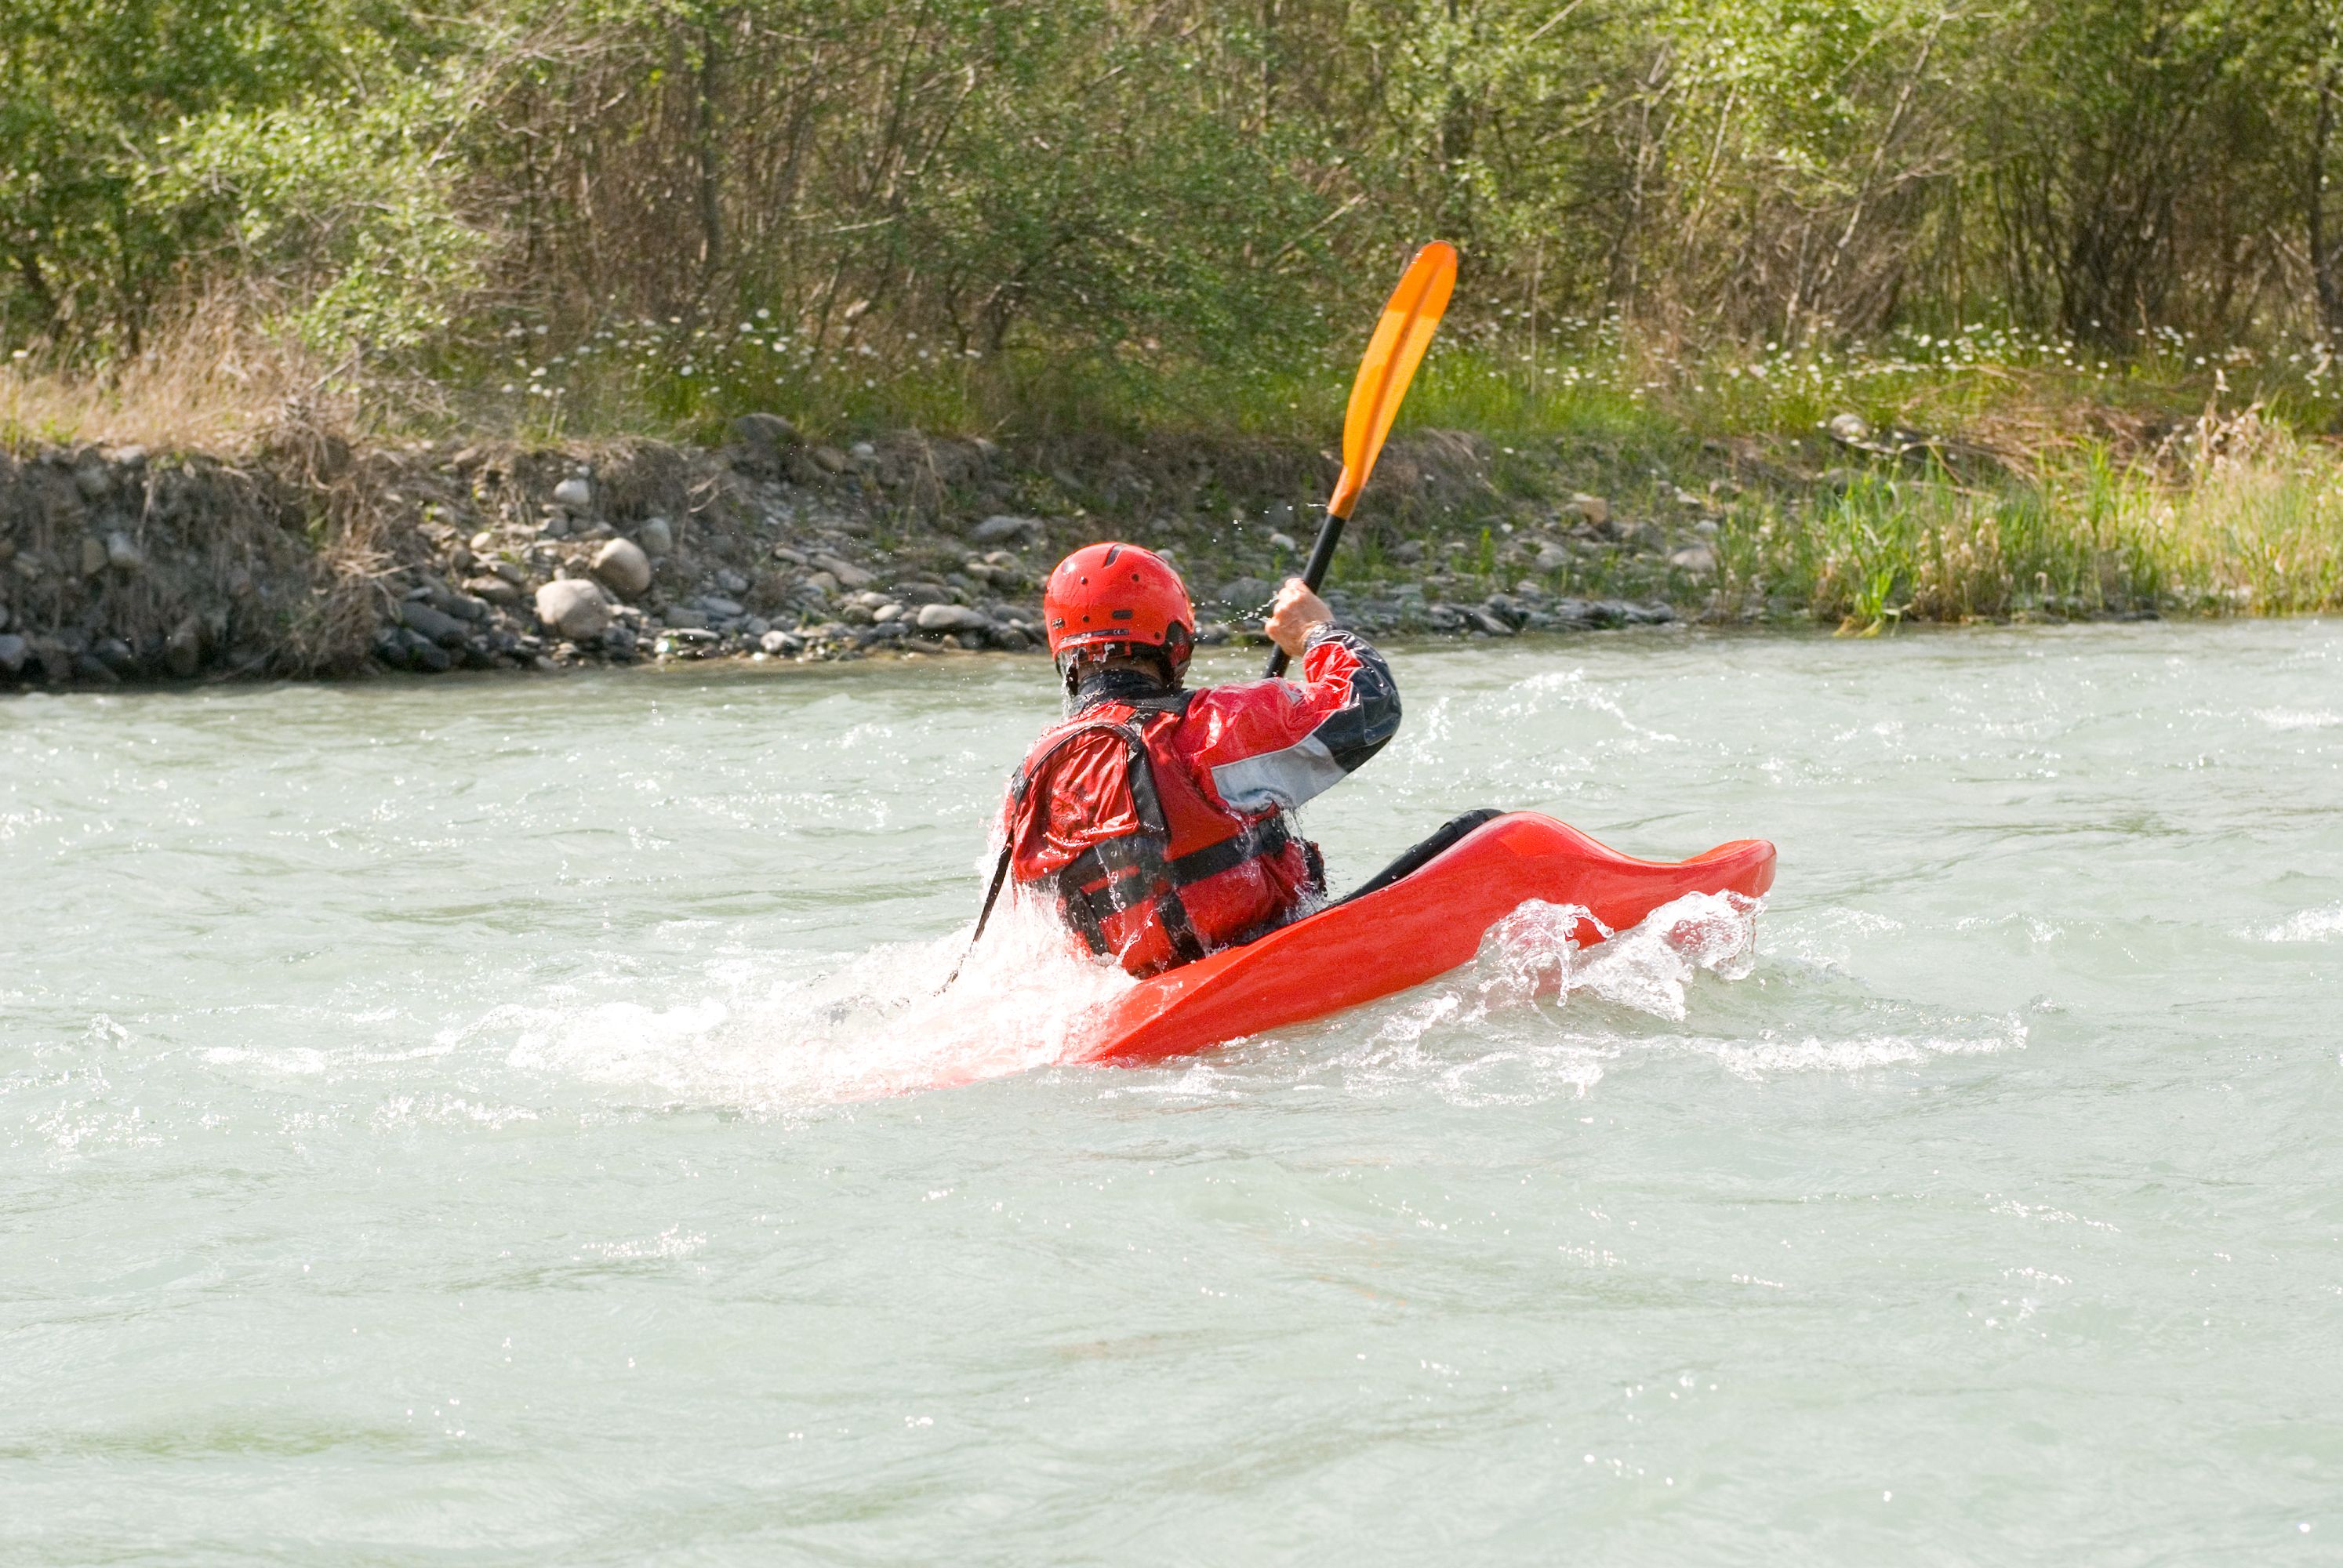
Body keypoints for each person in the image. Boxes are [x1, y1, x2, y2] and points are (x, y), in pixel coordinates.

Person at [991, 542, 1402, 978]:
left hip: (1122, 1001)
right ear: (1176, 643)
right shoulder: (1213, 728)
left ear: (1064, 653)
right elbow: (1370, 704)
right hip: (1253, 965)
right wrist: (1314, 631)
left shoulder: (1029, 782)